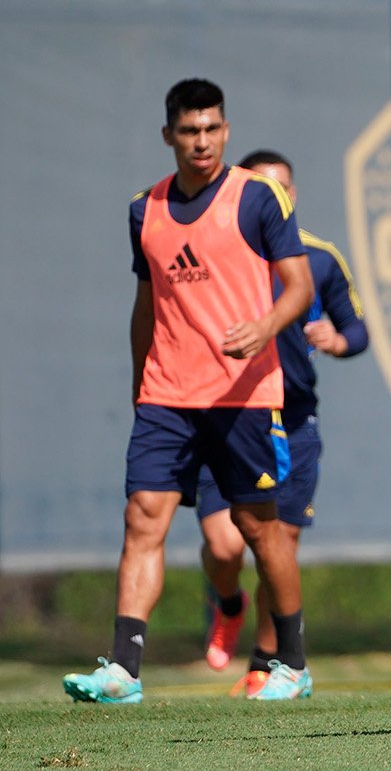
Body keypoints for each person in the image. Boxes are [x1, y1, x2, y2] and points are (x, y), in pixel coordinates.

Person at [63, 79, 317, 703]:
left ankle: (293, 664)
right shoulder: (142, 210)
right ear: (168, 136)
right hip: (167, 394)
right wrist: (138, 380)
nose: (201, 141)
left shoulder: (258, 198)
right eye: (189, 131)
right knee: (141, 518)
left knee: (261, 532)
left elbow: (299, 287)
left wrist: (264, 326)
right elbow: (146, 304)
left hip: (244, 395)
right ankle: (124, 670)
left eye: (211, 129)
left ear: (225, 131)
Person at [196, 149, 368, 697]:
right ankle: (228, 602)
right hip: (223, 417)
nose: (278, 198)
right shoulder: (218, 252)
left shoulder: (317, 260)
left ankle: (267, 663)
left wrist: (338, 341)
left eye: (284, 188)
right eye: (265, 188)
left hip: (291, 424)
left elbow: (357, 330)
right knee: (225, 549)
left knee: (279, 548)